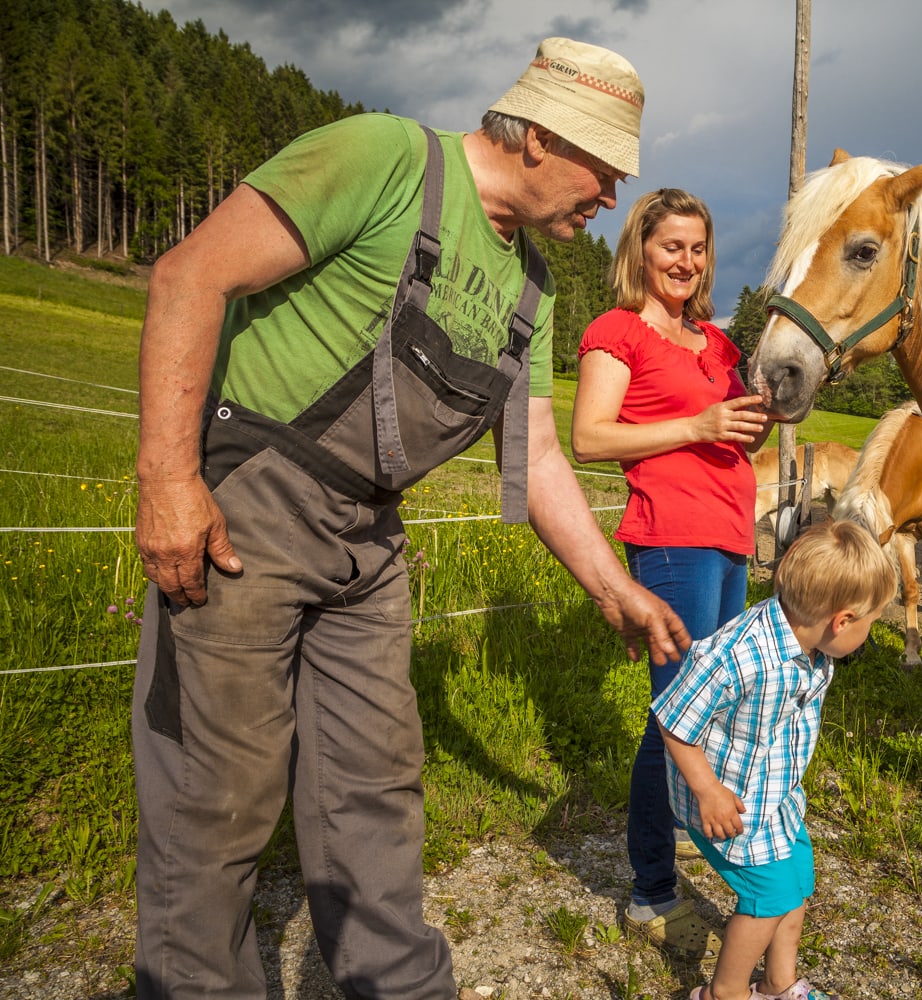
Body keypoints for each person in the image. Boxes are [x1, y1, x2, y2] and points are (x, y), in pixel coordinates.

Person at [131, 37, 691, 1000]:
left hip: (369, 540)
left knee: (376, 791)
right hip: (248, 508)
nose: (611, 196)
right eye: (604, 169)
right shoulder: (385, 158)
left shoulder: (531, 288)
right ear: (539, 137)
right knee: (215, 802)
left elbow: (534, 459)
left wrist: (614, 590)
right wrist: (169, 480)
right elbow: (190, 277)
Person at [571, 188, 772, 961]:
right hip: (671, 540)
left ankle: (679, 829)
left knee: (711, 710)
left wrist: (753, 422)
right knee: (678, 718)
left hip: (728, 539)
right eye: (671, 247)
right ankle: (651, 892)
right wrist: (699, 423)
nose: (686, 261)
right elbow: (590, 438)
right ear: (642, 251)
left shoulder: (715, 343)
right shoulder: (618, 330)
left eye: (697, 248)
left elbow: (735, 435)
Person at [653, 520, 897, 1000]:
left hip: (775, 794)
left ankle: (778, 984)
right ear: (842, 620)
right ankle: (724, 993)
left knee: (796, 882)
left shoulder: (810, 643)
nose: (867, 635)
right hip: (730, 803)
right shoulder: (738, 656)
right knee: (767, 896)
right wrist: (707, 791)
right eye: (870, 624)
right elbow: (674, 721)